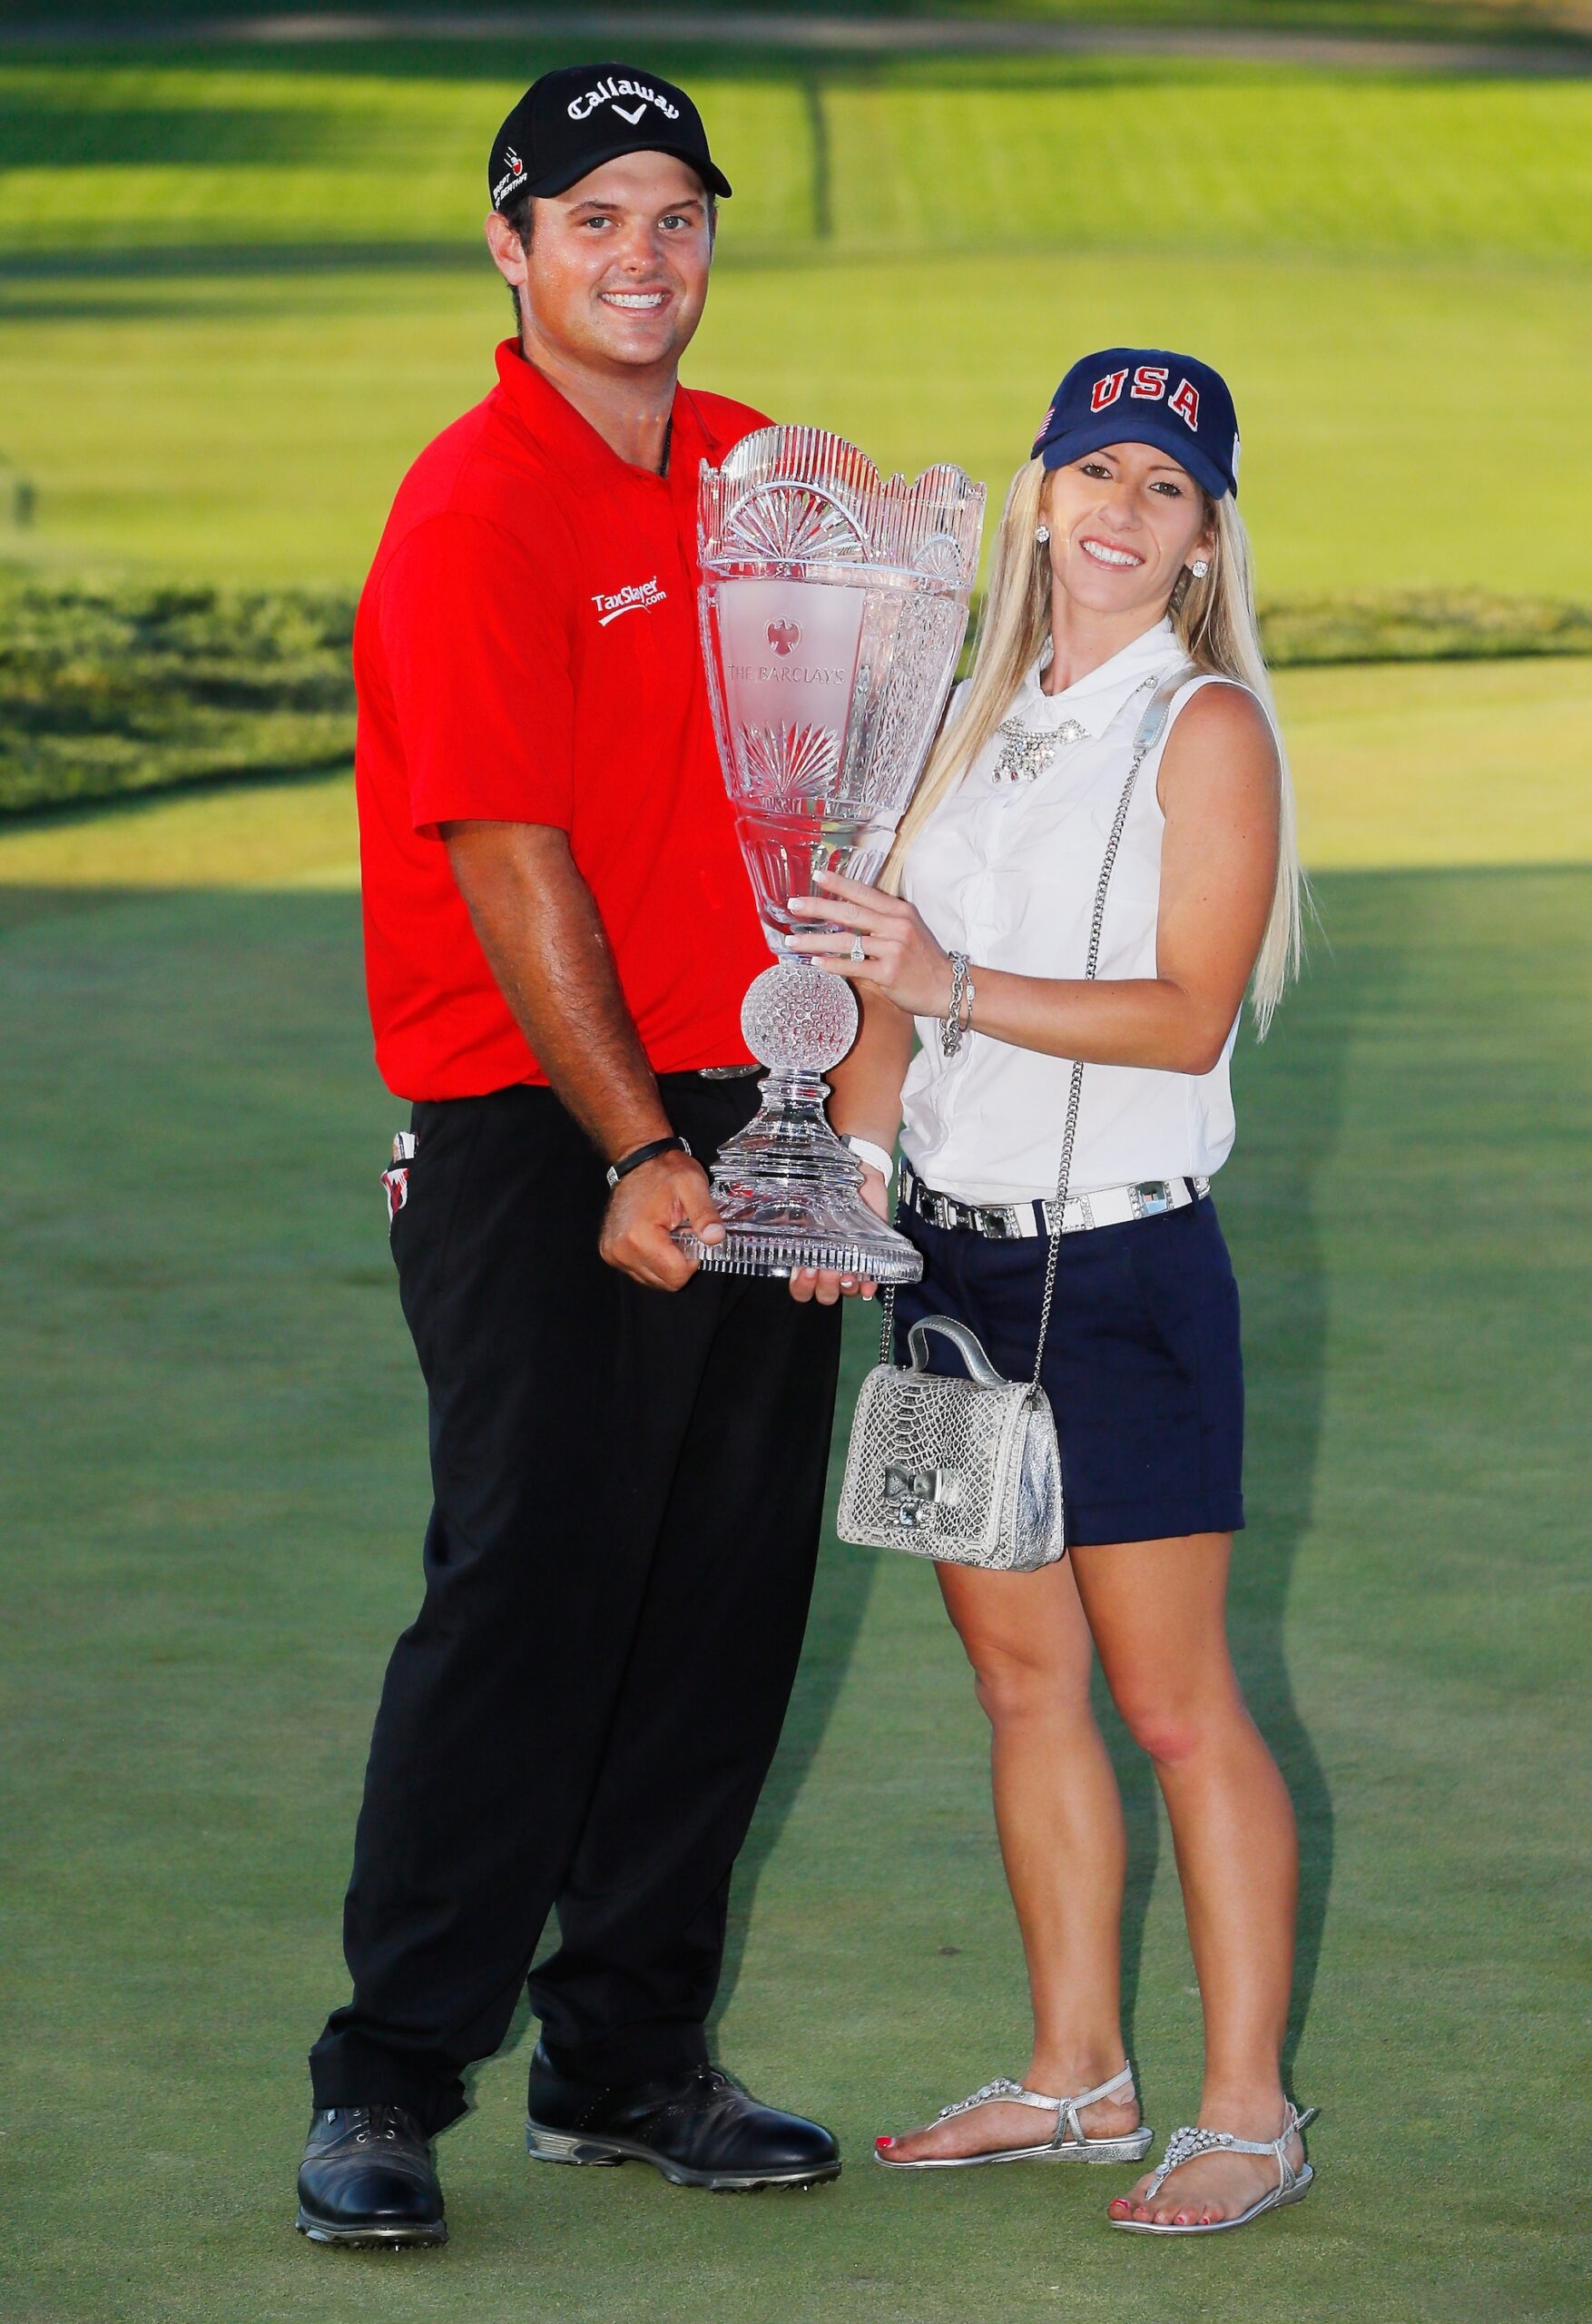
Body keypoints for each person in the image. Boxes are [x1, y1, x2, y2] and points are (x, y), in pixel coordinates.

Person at [298, 63, 844, 2250]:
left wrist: (816, 1130)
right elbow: (508, 851)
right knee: (530, 1592)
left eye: (675, 215)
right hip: (541, 1119)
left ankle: (626, 2061)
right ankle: (389, 2071)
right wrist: (634, 1141)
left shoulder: (753, 477)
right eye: (591, 217)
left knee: (721, 1601)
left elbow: (857, 755)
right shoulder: (477, 504)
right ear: (508, 255)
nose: (644, 255)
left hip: (755, 1097)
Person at [787, 350, 1317, 2235]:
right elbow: (865, 982)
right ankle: (1075, 2068)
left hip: (1124, 1264)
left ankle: (1246, 2104)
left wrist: (942, 984)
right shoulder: (949, 709)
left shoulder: (1207, 731)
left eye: (1161, 488)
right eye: (1091, 467)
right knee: (1024, 1691)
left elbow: (1181, 1014)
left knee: (1173, 1706)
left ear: (1198, 540)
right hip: (940, 1259)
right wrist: (846, 1176)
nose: (1118, 506)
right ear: (1034, 493)